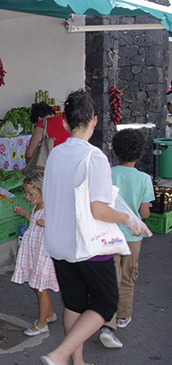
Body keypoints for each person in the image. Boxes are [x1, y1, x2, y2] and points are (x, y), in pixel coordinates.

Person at [40, 90, 147, 365]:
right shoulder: (94, 157)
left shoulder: (56, 153)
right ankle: (60, 354)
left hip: (58, 242)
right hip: (88, 244)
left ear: (64, 122)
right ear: (94, 121)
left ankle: (77, 361)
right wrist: (129, 219)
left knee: (75, 304)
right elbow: (98, 209)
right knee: (105, 303)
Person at [97, 128, 155, 348]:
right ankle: (123, 315)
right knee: (128, 276)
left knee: (110, 276)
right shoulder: (143, 179)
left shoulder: (108, 174)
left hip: (108, 235)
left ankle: (107, 322)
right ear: (140, 153)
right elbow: (145, 213)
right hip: (133, 236)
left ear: (116, 152)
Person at [11, 171, 59, 337]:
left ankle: (41, 324)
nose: (28, 197)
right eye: (26, 193)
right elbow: (34, 219)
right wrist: (25, 213)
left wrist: (48, 224)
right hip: (34, 251)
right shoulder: (37, 206)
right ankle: (50, 314)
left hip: (43, 254)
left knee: (40, 288)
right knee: (36, 285)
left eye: (31, 193)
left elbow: (61, 227)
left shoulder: (51, 210)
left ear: (43, 191)